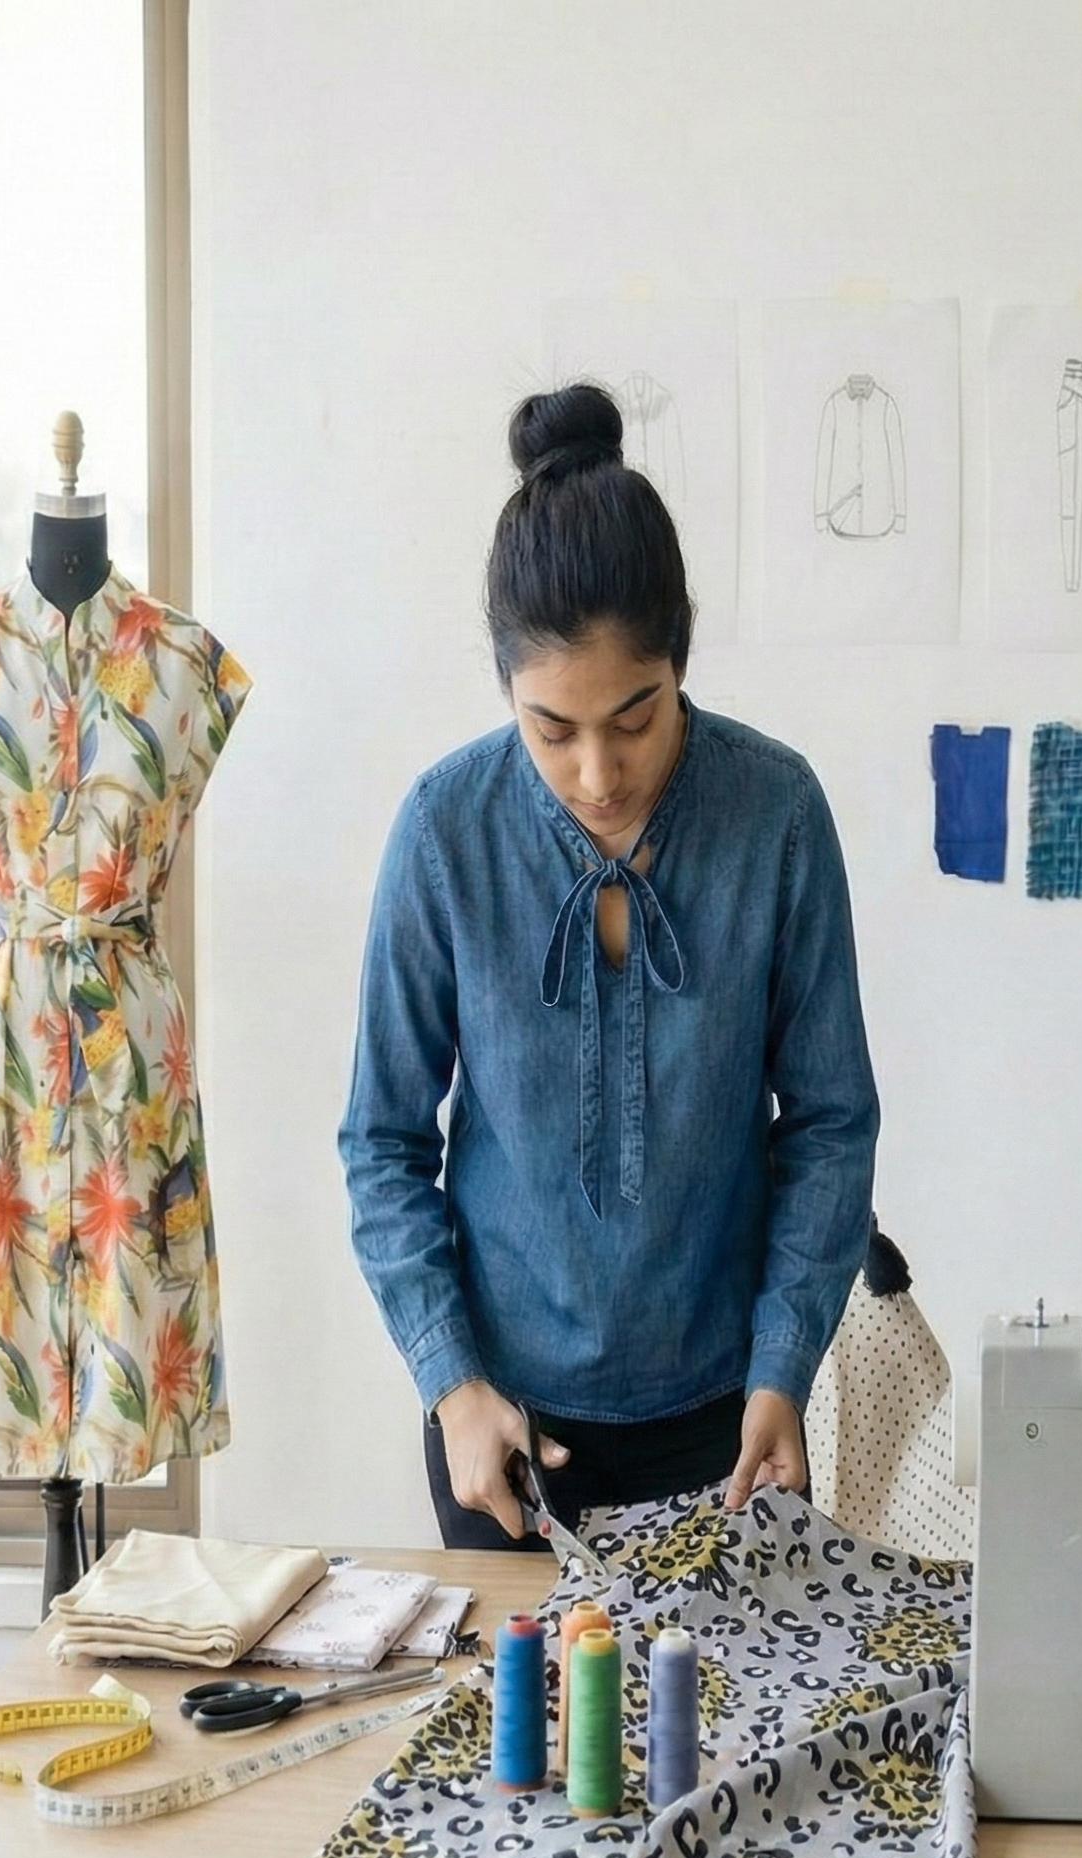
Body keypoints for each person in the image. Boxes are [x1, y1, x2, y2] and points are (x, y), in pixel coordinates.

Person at [339, 382, 880, 1547]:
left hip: (733, 1421)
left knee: (726, 1732)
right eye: (551, 730)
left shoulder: (776, 814)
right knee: (528, 1733)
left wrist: (785, 1362)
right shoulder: (443, 832)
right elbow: (381, 1141)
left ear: (680, 655)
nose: (595, 773)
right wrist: (450, 1382)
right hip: (506, 1432)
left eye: (634, 719)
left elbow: (831, 1120)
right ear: (504, 691)